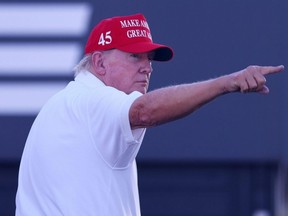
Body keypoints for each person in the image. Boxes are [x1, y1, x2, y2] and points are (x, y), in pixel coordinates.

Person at [15, 13, 284, 216]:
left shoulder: (67, 104)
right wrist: (227, 82)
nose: (148, 68)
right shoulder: (89, 100)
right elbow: (144, 112)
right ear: (99, 62)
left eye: (150, 59)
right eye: (135, 56)